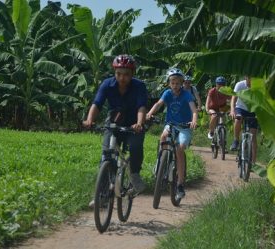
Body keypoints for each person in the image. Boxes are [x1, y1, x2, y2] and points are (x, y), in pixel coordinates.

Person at [83, 54, 148, 207]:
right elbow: (97, 103)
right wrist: (89, 119)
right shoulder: (107, 84)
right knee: (106, 156)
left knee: (135, 146)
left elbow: (141, 107)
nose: (122, 78)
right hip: (114, 122)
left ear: (132, 74)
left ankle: (134, 175)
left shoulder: (139, 86)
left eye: (126, 74)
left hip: (133, 125)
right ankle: (102, 194)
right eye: (118, 73)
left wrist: (139, 123)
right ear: (114, 72)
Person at [146, 68, 198, 199]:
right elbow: (159, 104)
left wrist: (194, 121)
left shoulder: (187, 95)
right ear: (169, 83)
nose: (175, 85)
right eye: (172, 83)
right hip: (171, 124)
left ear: (182, 83)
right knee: (163, 136)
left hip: (185, 127)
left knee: (180, 149)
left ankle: (180, 184)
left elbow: (194, 109)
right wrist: (149, 113)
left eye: (178, 83)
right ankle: (160, 161)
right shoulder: (167, 93)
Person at [229, 76, 258, 163]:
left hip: (253, 110)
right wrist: (232, 110)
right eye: (249, 77)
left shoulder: (258, 86)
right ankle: (236, 140)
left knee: (253, 136)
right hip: (240, 108)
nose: (251, 79)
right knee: (238, 119)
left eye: (253, 77)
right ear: (246, 77)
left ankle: (253, 162)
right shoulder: (240, 85)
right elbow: (233, 98)